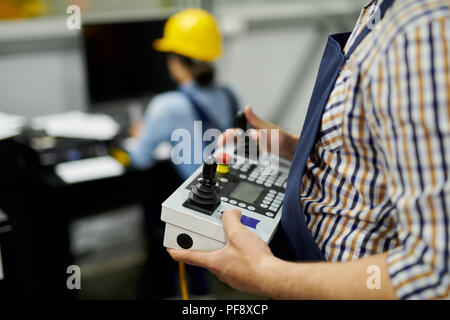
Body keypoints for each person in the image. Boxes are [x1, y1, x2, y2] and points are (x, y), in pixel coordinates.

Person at [169, 0, 450, 299]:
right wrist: (295, 145)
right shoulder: (377, 11)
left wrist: (267, 275)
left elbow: (433, 274)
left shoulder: (422, 29)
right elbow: (369, 149)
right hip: (313, 271)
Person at [128, 8, 239, 299]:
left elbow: (139, 158)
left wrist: (141, 135)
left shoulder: (167, 105)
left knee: (165, 260)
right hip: (218, 197)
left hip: (186, 207)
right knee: (197, 268)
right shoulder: (229, 94)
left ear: (175, 60)